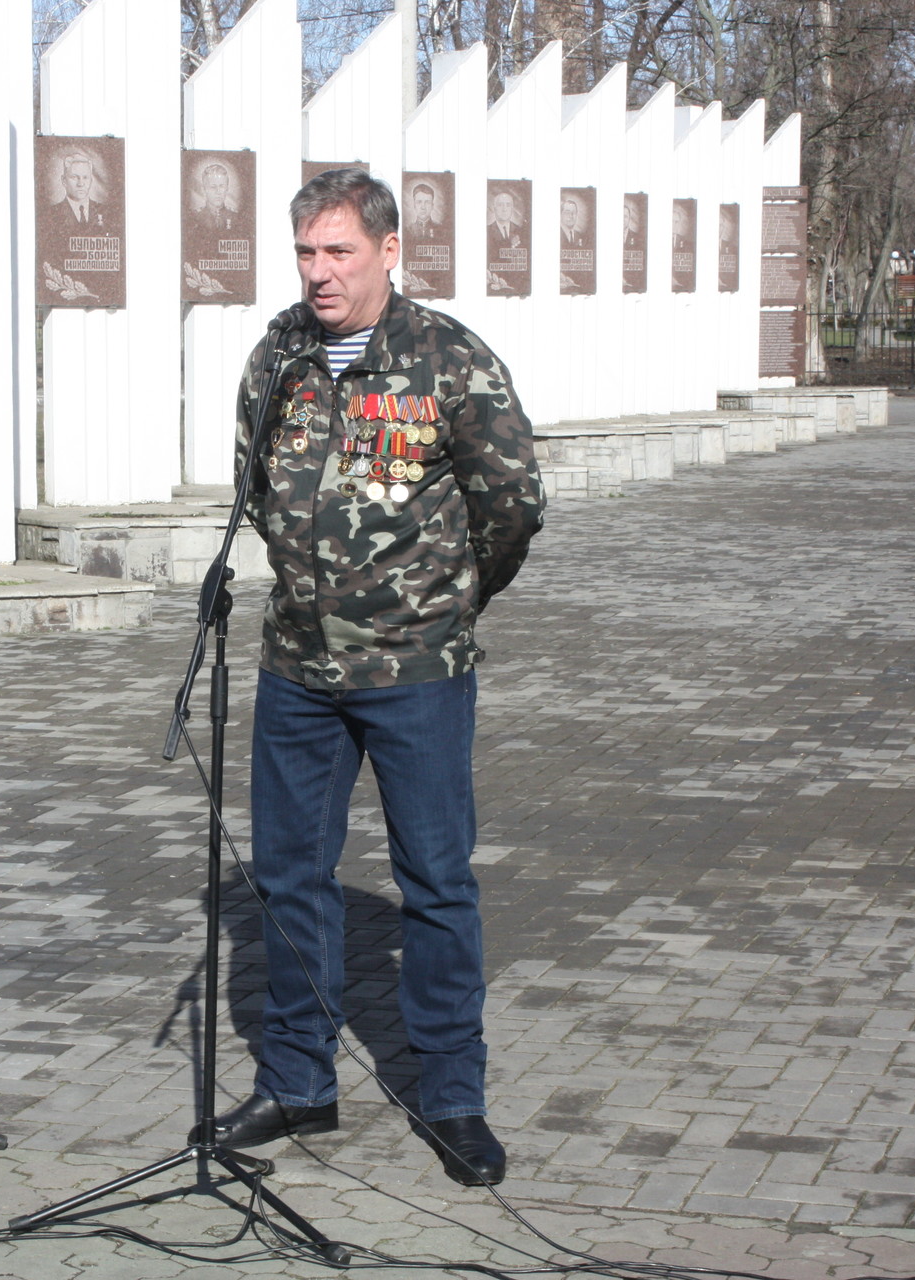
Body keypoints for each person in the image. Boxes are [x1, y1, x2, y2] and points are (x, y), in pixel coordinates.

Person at [197, 167, 544, 1187]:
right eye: (306, 251)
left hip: (417, 667)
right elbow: (254, 488)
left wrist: (448, 600)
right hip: (299, 667)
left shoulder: (448, 359)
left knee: (434, 882)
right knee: (290, 877)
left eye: (339, 251)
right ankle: (300, 1077)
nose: (319, 272)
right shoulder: (281, 357)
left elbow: (512, 504)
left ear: (389, 252)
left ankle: (451, 1096)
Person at [44, 152, 109, 238]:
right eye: (74, 177)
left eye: (85, 177)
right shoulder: (50, 215)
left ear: (91, 180)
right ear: (64, 180)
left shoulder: (106, 212)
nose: (80, 184)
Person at [190, 160, 237, 237]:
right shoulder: (195, 217)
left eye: (221, 186)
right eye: (213, 187)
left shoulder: (236, 217)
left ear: (227, 189)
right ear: (204, 189)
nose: (218, 192)